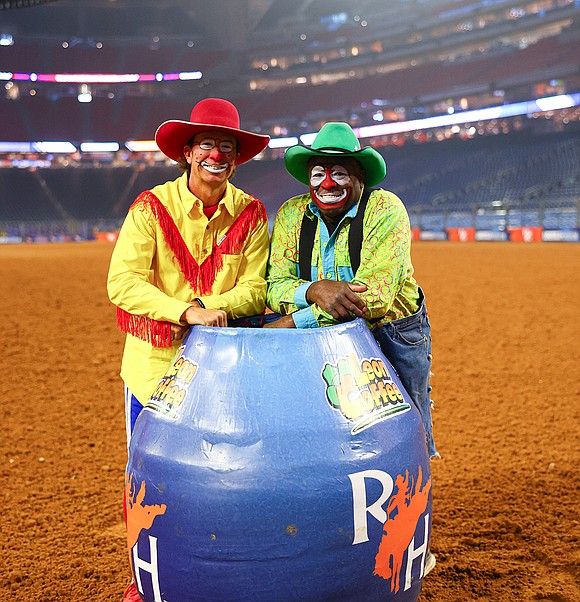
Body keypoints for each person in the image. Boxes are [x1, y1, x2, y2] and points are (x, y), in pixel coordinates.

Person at [107, 97, 270, 602]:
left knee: (224, 473)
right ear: (188, 152)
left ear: (237, 157)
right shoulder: (150, 208)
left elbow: (257, 288)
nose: (216, 155)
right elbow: (122, 282)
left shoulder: (252, 213)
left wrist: (204, 302)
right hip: (154, 368)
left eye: (227, 146)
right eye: (207, 145)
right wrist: (187, 313)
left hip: (224, 370)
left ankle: (220, 565)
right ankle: (146, 579)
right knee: (150, 479)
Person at [265, 122, 438, 461]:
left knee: (405, 427)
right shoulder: (290, 214)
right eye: (319, 174)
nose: (327, 184)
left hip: (389, 333)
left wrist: (291, 323)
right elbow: (274, 288)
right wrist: (315, 290)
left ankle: (412, 487)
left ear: (360, 177)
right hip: (315, 338)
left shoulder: (386, 210)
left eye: (340, 174)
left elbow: (373, 299)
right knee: (318, 423)